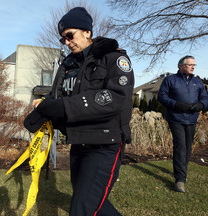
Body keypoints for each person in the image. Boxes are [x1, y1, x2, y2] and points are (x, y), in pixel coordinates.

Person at [31, 7, 134, 216]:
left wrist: (64, 106)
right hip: (79, 142)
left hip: (105, 144)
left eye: (70, 35)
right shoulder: (67, 65)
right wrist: (43, 109)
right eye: (63, 39)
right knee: (91, 201)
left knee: (82, 208)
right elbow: (58, 96)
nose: (67, 42)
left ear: (87, 32)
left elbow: (116, 97)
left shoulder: (113, 59)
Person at [158, 55, 208, 193]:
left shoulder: (198, 82)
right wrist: (176, 105)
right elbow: (161, 96)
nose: (193, 67)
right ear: (180, 66)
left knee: (187, 147)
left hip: (191, 119)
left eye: (194, 65)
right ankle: (180, 179)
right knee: (180, 145)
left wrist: (200, 105)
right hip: (175, 118)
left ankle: (182, 171)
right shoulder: (170, 80)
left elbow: (205, 98)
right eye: (190, 64)